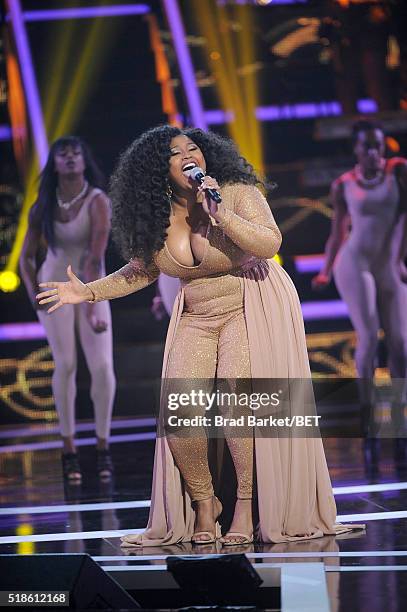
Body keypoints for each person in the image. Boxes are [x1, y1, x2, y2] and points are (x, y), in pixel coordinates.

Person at [37, 126, 362, 546]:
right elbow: (141, 270)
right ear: (159, 168)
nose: (191, 155)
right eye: (177, 153)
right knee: (181, 409)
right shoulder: (155, 213)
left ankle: (245, 505)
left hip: (250, 301)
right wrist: (87, 291)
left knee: (235, 400)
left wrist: (220, 212)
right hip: (196, 312)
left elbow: (269, 242)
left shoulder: (236, 192)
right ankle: (205, 503)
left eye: (195, 148)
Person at [20, 136, 116, 482]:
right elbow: (26, 257)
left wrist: (91, 305)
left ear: (84, 160)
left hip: (90, 282)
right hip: (54, 284)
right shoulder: (43, 204)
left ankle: (103, 448)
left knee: (102, 365)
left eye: (77, 152)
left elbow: (94, 255)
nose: (72, 158)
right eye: (64, 154)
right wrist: (35, 295)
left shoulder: (97, 201)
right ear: (56, 163)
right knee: (66, 363)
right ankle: (69, 450)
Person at [313, 120, 407, 385]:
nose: (374, 153)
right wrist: (325, 271)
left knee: (400, 341)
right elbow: (338, 232)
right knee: (368, 335)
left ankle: (402, 408)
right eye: (367, 147)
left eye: (378, 146)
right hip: (355, 263)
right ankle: (367, 408)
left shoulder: (398, 171)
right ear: (356, 149)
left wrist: (399, 259)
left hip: (389, 263)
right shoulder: (344, 184)